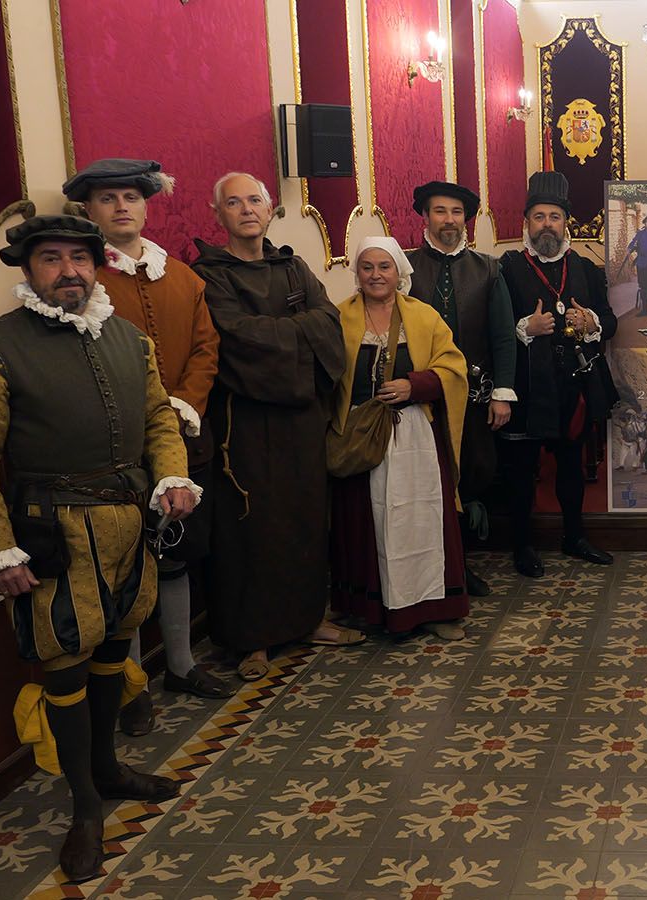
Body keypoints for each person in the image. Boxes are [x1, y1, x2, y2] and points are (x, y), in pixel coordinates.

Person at [0, 215, 196, 880]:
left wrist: (173, 476)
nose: (69, 271)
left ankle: (109, 769)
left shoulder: (128, 339)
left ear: (96, 264)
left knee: (117, 643)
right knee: (64, 661)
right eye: (51, 260)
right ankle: (85, 804)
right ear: (28, 272)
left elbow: (157, 420)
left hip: (126, 522)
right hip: (52, 533)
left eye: (80, 258)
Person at [63, 159, 233, 738]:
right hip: (119, 450)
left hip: (185, 437)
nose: (121, 207)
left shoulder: (184, 278)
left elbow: (207, 348)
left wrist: (185, 403)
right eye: (108, 198)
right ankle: (131, 683)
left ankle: (182, 665)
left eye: (131, 196)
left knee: (180, 555)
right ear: (89, 209)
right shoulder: (84, 279)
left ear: (147, 203)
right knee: (127, 567)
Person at [193, 172, 360, 682]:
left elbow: (327, 320)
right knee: (251, 525)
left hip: (300, 418)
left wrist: (284, 331)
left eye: (255, 201)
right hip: (244, 423)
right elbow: (234, 338)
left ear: (269, 211)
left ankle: (309, 619)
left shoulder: (293, 266)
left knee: (306, 517)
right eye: (234, 202)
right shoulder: (209, 275)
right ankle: (254, 638)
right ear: (217, 213)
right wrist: (298, 330)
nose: (246, 210)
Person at [330, 238, 470, 640]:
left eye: (384, 267)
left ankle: (434, 608)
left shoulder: (423, 317)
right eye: (367, 267)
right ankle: (368, 608)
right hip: (361, 438)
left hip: (415, 439)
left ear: (398, 273)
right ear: (357, 272)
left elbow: (453, 366)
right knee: (366, 523)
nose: (376, 275)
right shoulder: (337, 318)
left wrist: (416, 385)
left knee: (421, 521)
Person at [497, 171, 619, 577]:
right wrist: (524, 329)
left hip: (574, 385)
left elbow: (611, 321)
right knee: (521, 469)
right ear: (526, 223)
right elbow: (492, 328)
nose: (547, 224)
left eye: (554, 216)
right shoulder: (507, 267)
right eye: (539, 217)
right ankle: (522, 545)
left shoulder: (584, 267)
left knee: (570, 466)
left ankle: (574, 536)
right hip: (528, 385)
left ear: (566, 222)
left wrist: (593, 325)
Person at [406, 179, 518, 599]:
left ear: (465, 220)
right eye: (440, 211)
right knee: (425, 477)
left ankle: (460, 563)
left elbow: (504, 336)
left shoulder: (488, 269)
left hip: (474, 395)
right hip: (420, 397)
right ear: (425, 216)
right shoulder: (403, 268)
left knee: (473, 472)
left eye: (456, 213)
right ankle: (428, 567)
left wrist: (503, 391)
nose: (448, 220)